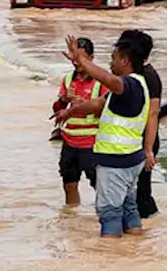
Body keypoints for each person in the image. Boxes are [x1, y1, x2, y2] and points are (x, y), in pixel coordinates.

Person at [56, 29, 153, 238]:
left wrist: (82, 60)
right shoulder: (139, 85)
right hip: (130, 159)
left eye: (114, 58)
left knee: (109, 214)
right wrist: (69, 111)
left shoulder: (128, 84)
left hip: (117, 161)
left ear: (125, 60)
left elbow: (107, 79)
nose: (111, 63)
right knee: (128, 209)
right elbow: (97, 105)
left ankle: (109, 257)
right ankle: (138, 251)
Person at [52, 37, 108, 207]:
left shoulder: (102, 81)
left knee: (99, 186)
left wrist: (84, 105)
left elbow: (107, 110)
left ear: (91, 58)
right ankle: (72, 220)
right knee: (69, 185)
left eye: (81, 58)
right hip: (69, 142)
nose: (76, 62)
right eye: (74, 57)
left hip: (92, 144)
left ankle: (102, 217)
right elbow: (56, 109)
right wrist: (64, 99)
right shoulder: (68, 79)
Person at [137, 35, 163, 219]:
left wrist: (148, 149)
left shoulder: (149, 77)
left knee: (142, 191)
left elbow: (153, 114)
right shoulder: (135, 75)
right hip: (135, 138)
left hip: (146, 139)